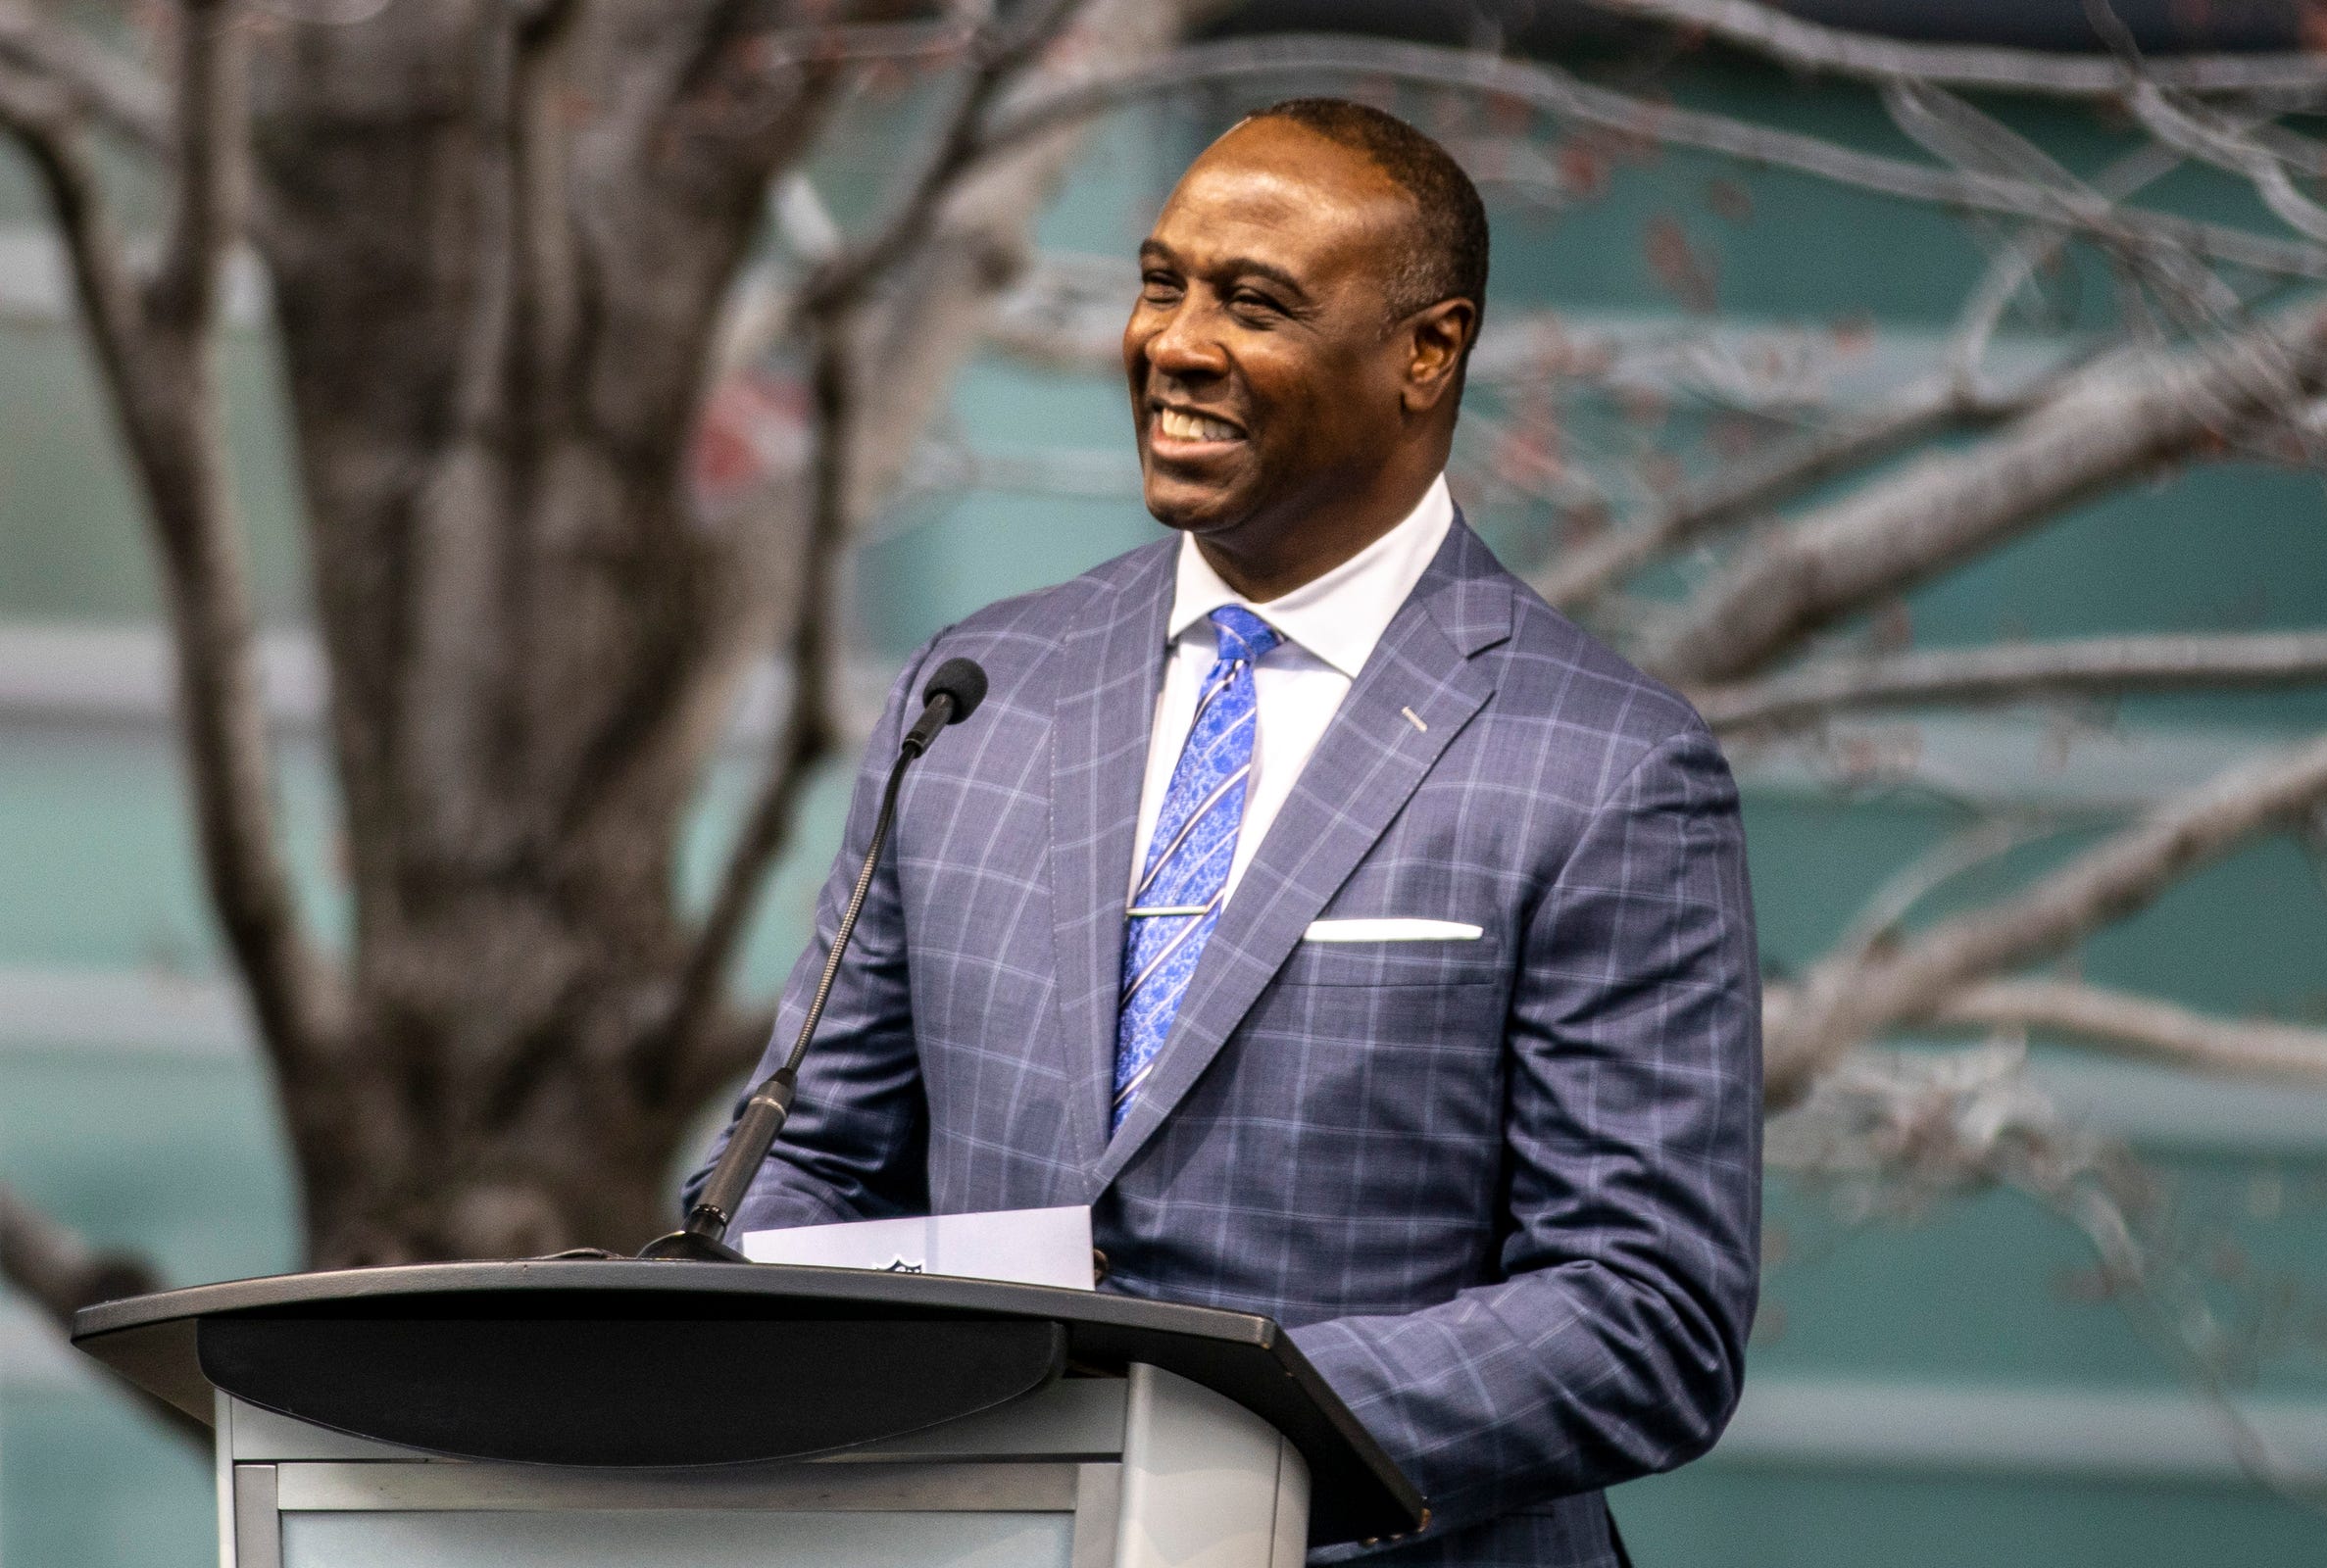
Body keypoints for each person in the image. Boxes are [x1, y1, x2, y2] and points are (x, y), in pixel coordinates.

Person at [690, 98, 1761, 1567]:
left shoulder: (1607, 765)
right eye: (1160, 282)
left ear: (1427, 352)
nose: (1175, 343)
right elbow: (810, 1165)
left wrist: (1210, 1428)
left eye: (1253, 303)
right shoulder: (979, 692)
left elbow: (1647, 1316)